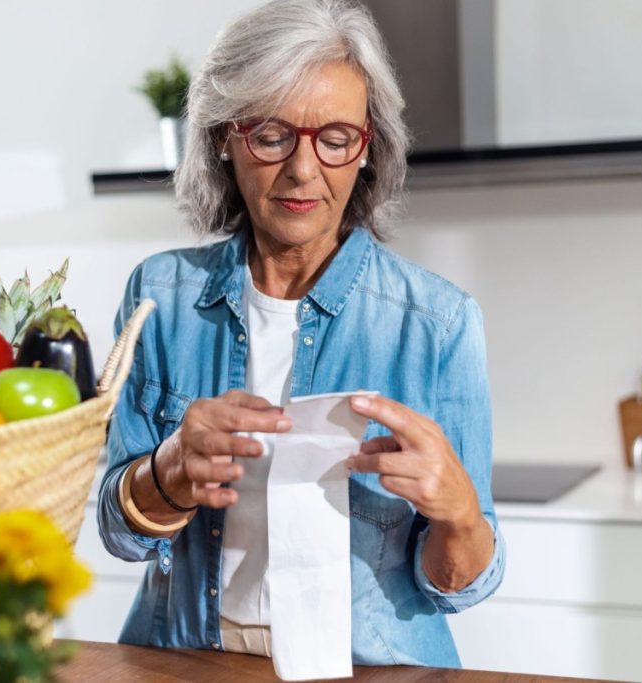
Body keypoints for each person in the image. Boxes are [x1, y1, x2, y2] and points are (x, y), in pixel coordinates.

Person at [97, 0, 505, 668]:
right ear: (226, 138)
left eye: (335, 137)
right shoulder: (160, 298)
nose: (303, 168)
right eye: (271, 133)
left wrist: (459, 511)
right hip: (187, 658)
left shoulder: (439, 323)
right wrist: (167, 471)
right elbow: (120, 532)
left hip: (374, 663)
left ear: (366, 149)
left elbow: (460, 580)